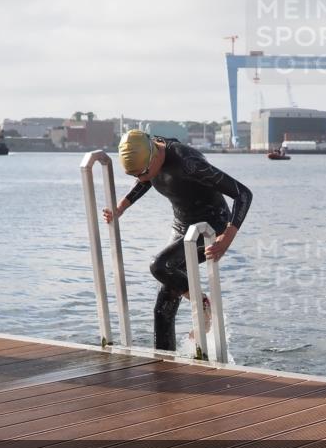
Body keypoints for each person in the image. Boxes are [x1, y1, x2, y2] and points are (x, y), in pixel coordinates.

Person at [102, 130, 252, 351]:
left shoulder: (189, 163)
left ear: (154, 156)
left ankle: (203, 307)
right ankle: (164, 360)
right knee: (163, 307)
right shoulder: (150, 154)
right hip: (182, 226)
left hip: (211, 225)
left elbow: (243, 194)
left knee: (160, 266)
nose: (140, 179)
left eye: (142, 172)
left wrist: (227, 237)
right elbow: (146, 179)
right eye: (134, 175)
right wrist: (120, 208)